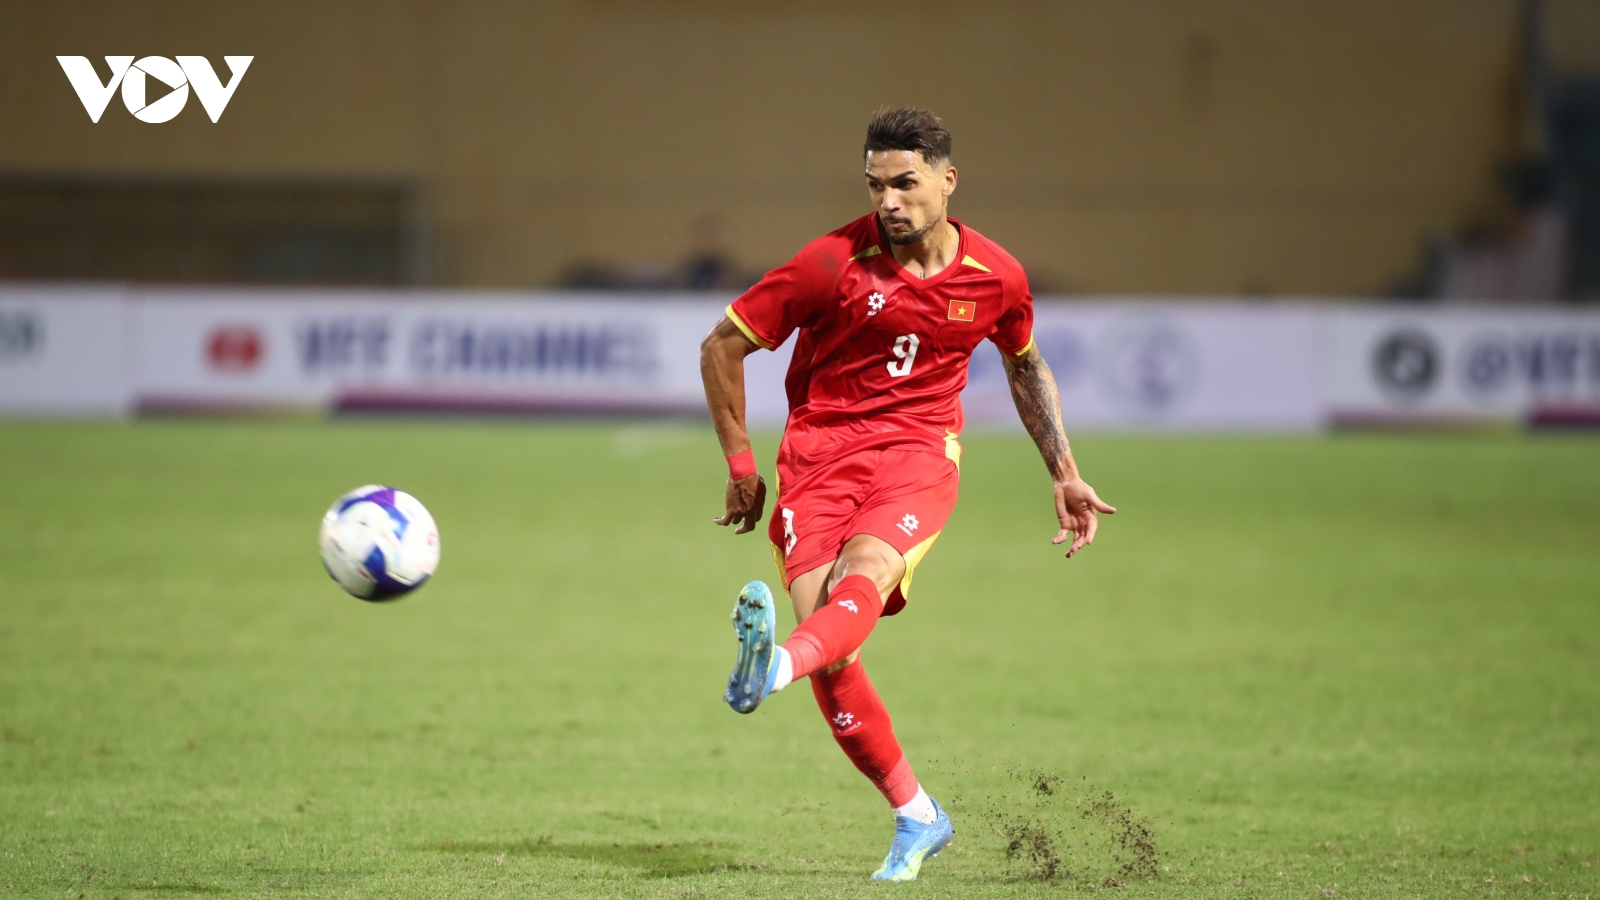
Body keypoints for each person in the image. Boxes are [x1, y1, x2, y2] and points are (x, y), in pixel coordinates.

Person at [698, 106, 1115, 882]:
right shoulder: (831, 263)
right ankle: (918, 815)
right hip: (818, 460)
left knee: (862, 578)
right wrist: (742, 468)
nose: (888, 201)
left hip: (918, 455)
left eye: (905, 184)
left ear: (947, 182)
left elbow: (1024, 363)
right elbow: (722, 345)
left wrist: (1064, 470)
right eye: (874, 185)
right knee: (837, 652)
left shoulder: (995, 275)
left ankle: (773, 669)